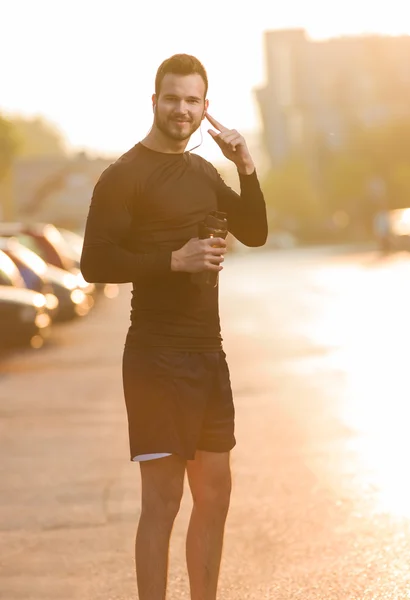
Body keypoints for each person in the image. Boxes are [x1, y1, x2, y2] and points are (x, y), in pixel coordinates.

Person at [80, 53, 268, 600]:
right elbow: (94, 263)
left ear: (205, 107)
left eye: (192, 100)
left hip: (209, 356)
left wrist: (246, 165)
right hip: (155, 357)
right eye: (172, 98)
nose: (181, 109)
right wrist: (173, 260)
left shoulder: (205, 171)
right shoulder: (122, 177)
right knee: (161, 504)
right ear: (154, 100)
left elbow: (254, 231)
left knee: (215, 497)